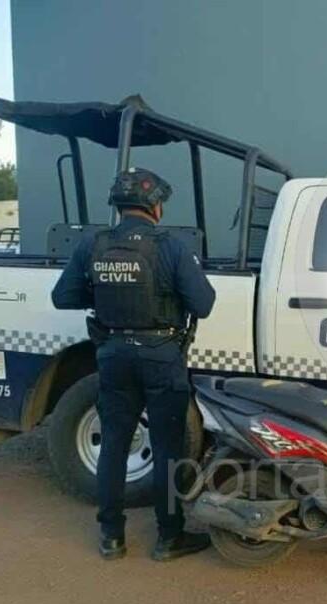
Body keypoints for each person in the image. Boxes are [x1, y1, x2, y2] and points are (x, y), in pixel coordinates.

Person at [52, 167, 216, 561]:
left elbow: (63, 297)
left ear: (118, 205)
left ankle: (111, 537)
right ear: (155, 206)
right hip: (161, 355)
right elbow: (204, 304)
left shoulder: (93, 244)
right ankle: (169, 538)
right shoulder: (171, 246)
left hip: (113, 353)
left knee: (113, 444)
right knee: (167, 448)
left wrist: (104, 293)